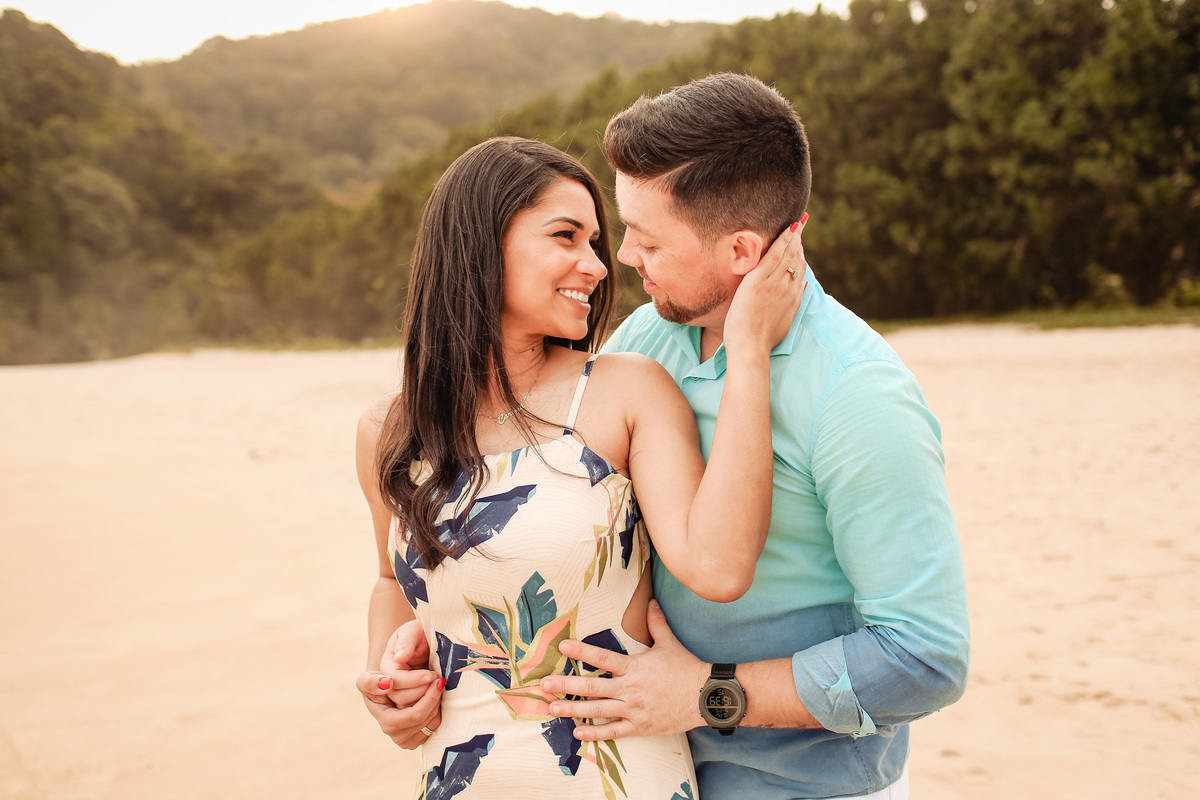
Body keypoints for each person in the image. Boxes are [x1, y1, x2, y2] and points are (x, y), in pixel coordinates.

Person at [377, 74, 970, 799]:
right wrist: (427, 629)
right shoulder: (645, 342)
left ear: (743, 253)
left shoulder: (857, 394)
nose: (619, 259)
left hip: (802, 788)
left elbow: (926, 658)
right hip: (634, 765)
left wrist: (709, 696)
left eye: (646, 239)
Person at [353, 135, 806, 798]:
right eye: (566, 236)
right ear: (478, 244)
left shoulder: (623, 392)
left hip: (616, 779)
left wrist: (750, 352)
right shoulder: (388, 432)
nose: (596, 265)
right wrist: (386, 679)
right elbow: (390, 583)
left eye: (595, 242)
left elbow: (720, 565)